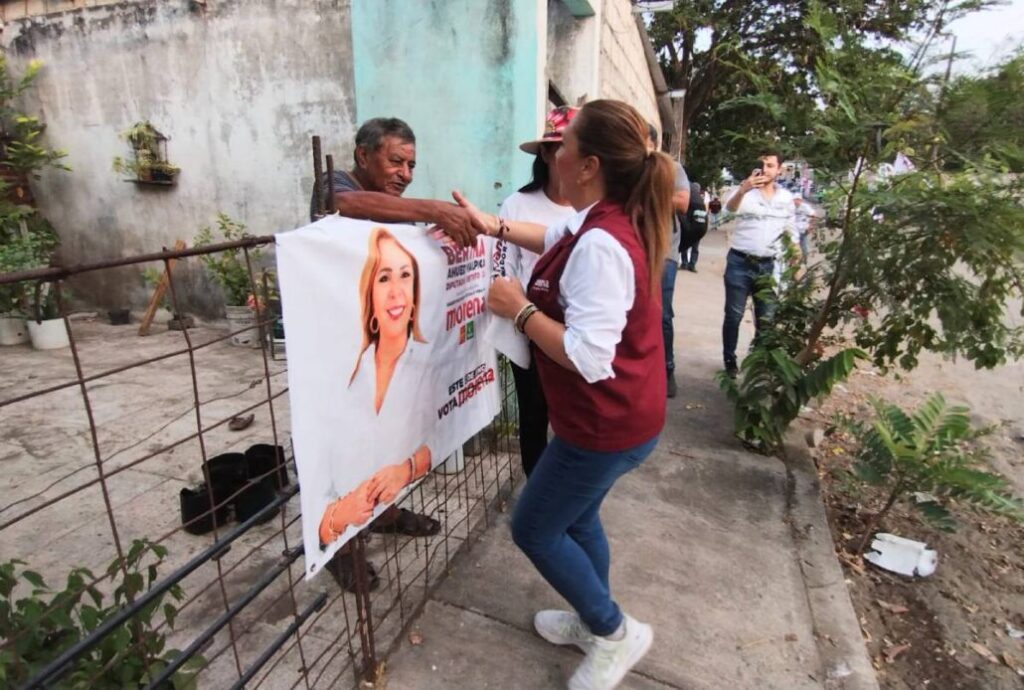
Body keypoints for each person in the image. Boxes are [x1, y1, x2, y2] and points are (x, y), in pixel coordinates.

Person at [452, 99, 672, 690]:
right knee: (577, 519)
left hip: (605, 425)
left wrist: (517, 310)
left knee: (535, 528)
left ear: (588, 164)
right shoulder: (601, 218)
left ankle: (614, 631)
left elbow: (589, 356)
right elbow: (547, 232)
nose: (556, 151)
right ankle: (590, 620)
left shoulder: (602, 242)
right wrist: (487, 222)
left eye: (565, 143)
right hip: (618, 418)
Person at [308, 118, 451, 592]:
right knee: (344, 445)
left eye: (411, 164)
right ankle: (341, 547)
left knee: (385, 433)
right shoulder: (338, 183)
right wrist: (426, 209)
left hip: (378, 339)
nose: (405, 173)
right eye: (395, 161)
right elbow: (340, 206)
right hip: (337, 345)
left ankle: (383, 511)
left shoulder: (389, 206)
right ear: (363, 155)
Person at [317, 229, 435, 550]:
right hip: (337, 504)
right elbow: (318, 458)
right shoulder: (349, 367)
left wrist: (405, 470)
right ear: (368, 291)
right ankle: (344, 553)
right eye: (383, 279)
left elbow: (444, 430)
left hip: (380, 491)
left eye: (405, 276)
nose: (396, 291)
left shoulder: (426, 361)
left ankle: (386, 517)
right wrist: (338, 517)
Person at [498, 106, 579, 477]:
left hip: (576, 330)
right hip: (528, 325)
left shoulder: (594, 210)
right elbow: (505, 267)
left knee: (573, 416)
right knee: (533, 414)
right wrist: (522, 313)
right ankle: (537, 487)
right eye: (562, 148)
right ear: (546, 154)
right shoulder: (517, 205)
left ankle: (564, 495)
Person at [721, 150, 799, 377]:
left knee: (766, 319)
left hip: (769, 266)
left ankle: (758, 364)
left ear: (779, 169)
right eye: (762, 165)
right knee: (733, 315)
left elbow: (791, 233)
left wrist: (796, 267)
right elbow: (726, 213)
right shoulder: (744, 193)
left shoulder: (785, 199)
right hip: (739, 262)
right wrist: (744, 189)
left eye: (771, 165)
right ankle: (729, 361)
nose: (765, 169)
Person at [646, 124, 689, 399]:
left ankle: (667, 368)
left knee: (661, 313)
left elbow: (683, 202)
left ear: (652, 143)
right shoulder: (625, 170)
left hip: (664, 252)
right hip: (634, 248)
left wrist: (645, 195)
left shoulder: (671, 168)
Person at [679, 180, 708, 273]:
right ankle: (691, 264)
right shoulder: (700, 198)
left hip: (691, 224)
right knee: (695, 247)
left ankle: (685, 263)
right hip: (699, 225)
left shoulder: (692, 198)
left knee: (687, 245)